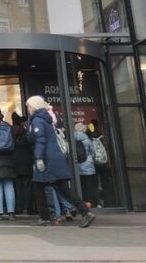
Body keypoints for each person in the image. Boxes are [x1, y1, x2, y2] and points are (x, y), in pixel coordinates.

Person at [25, 95, 95, 228]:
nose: (28, 109)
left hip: (47, 159)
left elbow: (40, 141)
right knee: (63, 188)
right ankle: (86, 212)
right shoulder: (46, 119)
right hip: (56, 158)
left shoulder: (37, 121)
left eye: (29, 106)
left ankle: (44, 217)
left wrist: (39, 158)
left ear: (34, 106)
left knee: (38, 186)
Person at [11, 112, 33, 215]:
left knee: (18, 186)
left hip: (15, 161)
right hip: (26, 162)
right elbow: (31, 146)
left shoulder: (11, 133)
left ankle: (19, 207)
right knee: (28, 186)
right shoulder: (25, 132)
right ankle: (29, 207)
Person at [73, 122, 98, 208]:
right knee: (90, 186)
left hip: (77, 166)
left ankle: (83, 202)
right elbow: (93, 153)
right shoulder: (87, 140)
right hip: (88, 166)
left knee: (82, 186)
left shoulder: (72, 139)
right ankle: (91, 203)